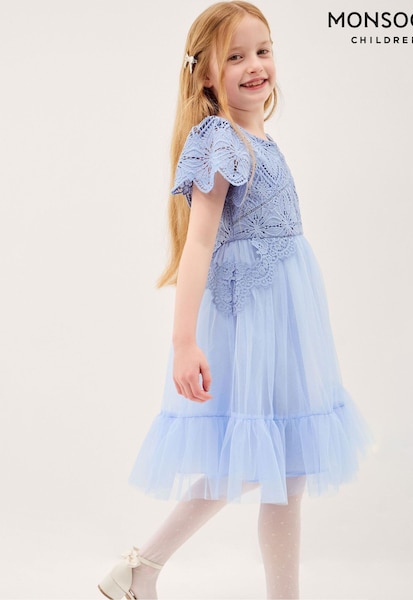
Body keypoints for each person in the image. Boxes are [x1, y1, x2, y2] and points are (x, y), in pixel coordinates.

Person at [98, 1, 375, 599]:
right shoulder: (218, 138)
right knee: (249, 462)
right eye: (236, 56)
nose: (256, 66)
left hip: (286, 315)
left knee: (287, 469)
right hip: (252, 314)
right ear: (204, 73)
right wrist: (183, 341)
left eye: (263, 51)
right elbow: (199, 243)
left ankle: (166, 575)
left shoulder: (261, 138)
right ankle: (143, 567)